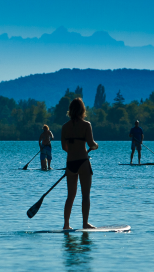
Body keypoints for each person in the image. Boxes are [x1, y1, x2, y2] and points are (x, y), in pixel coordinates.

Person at [61, 98, 98, 230]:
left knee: (70, 195)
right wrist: (95, 146)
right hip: (83, 162)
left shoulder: (65, 127)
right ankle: (85, 223)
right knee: (85, 195)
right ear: (82, 110)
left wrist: (73, 151)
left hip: (70, 163)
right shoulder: (86, 125)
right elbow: (91, 144)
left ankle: (66, 224)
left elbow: (64, 147)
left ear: (70, 111)